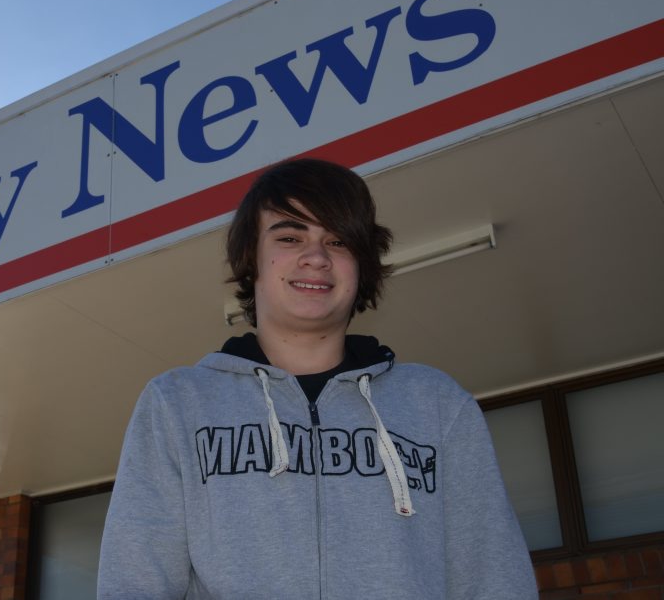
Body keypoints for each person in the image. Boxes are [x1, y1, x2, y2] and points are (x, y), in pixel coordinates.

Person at [97, 158, 537, 599]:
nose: (316, 257)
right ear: (251, 257)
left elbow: (494, 577)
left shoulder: (437, 404)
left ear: (362, 264)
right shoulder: (177, 404)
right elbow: (134, 584)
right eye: (290, 237)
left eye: (338, 241)